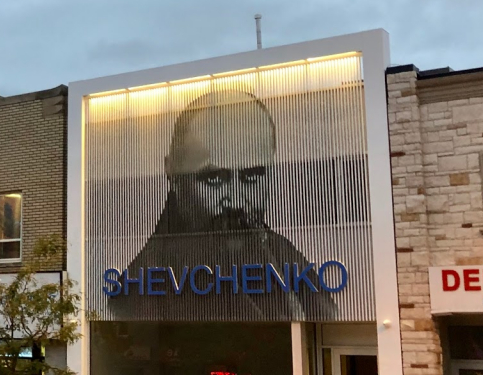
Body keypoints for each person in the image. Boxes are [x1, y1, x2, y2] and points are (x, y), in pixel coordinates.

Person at [106, 89, 338, 322]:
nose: (235, 200)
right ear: (172, 173)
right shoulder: (140, 285)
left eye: (252, 176)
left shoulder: (288, 262)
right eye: (215, 179)